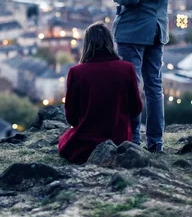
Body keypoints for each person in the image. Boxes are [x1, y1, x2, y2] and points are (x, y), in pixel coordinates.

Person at [110, 0, 190, 153]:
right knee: (154, 86)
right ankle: (156, 143)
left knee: (131, 86)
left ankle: (132, 141)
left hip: (133, 28)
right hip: (158, 26)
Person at [58, 22, 143, 164]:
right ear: (110, 42)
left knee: (65, 141)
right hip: (119, 141)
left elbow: (71, 118)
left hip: (85, 144)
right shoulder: (127, 68)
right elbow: (136, 109)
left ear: (87, 44)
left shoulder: (77, 72)